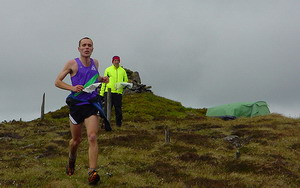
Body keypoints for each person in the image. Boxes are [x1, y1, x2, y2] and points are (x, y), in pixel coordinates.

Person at [54, 37, 108, 185]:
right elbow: (57, 81)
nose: (86, 47)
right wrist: (72, 87)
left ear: (92, 48)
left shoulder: (95, 63)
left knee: (92, 136)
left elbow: (94, 77)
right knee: (76, 141)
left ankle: (92, 172)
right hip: (77, 105)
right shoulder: (72, 64)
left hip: (91, 104)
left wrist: (102, 78)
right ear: (79, 48)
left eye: (89, 45)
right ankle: (71, 159)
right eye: (84, 45)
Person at [100, 56, 128, 127]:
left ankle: (118, 124)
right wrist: (101, 93)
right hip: (108, 92)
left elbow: (126, 80)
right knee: (107, 109)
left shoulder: (122, 71)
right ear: (112, 61)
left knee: (118, 109)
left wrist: (122, 86)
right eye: (115, 60)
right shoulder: (108, 70)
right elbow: (104, 82)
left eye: (117, 60)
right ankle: (105, 124)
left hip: (118, 93)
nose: (116, 62)